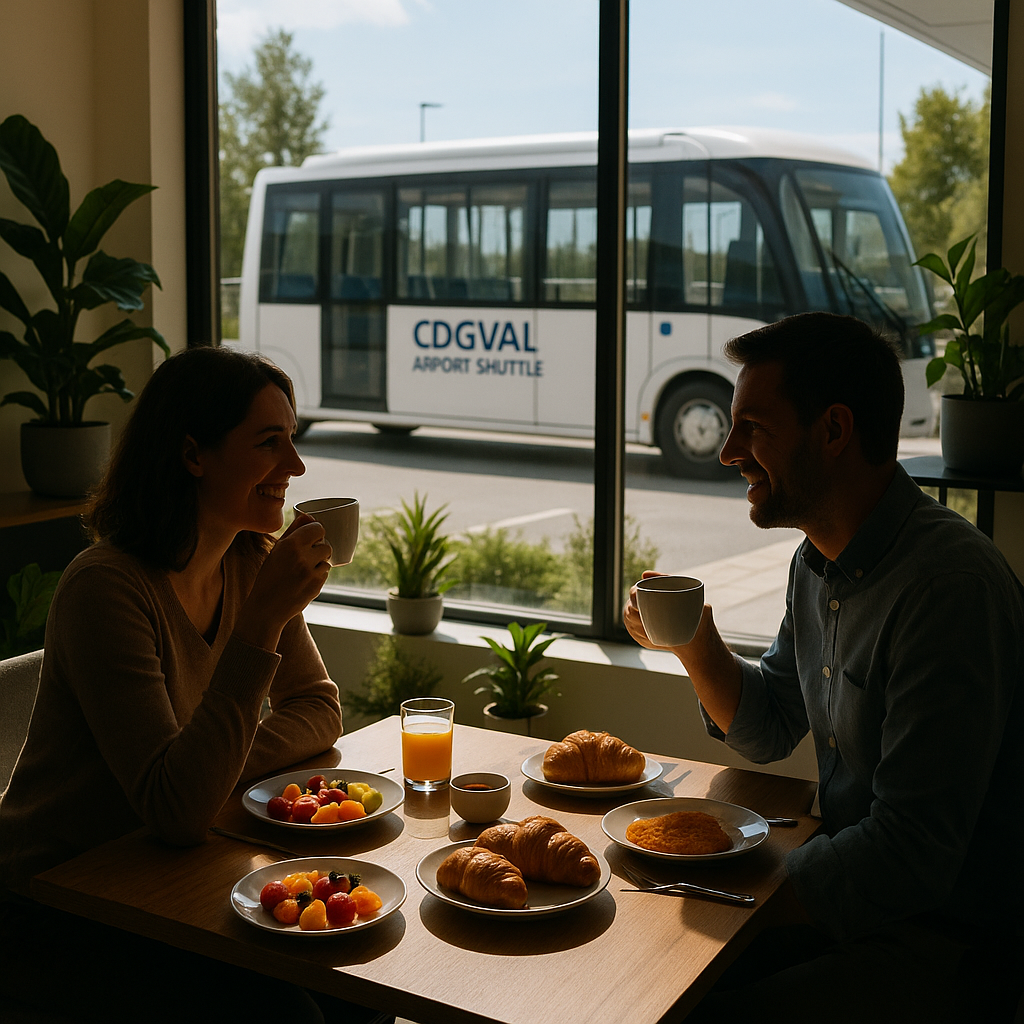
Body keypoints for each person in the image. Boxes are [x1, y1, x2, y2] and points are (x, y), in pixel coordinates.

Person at [624, 312, 1024, 1023]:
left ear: (834, 430)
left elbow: (911, 853)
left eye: (753, 427)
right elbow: (770, 725)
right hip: (853, 908)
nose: (728, 453)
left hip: (948, 944)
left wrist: (732, 887)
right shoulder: (818, 565)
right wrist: (693, 643)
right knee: (643, 978)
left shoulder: (947, 588)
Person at [0, 346, 387, 1023]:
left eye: (292, 441)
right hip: (52, 900)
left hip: (162, 875)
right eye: (270, 443)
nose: (295, 468)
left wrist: (211, 769)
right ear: (193, 454)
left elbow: (320, 711)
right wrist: (262, 623)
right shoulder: (107, 588)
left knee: (361, 980)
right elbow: (177, 811)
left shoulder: (248, 559)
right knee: (285, 1014)